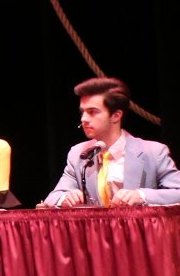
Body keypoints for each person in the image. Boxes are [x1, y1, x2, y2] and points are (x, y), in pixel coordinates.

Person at [41, 78, 180, 208]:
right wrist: (65, 197)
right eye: (82, 112)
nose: (84, 119)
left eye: (92, 112)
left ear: (116, 115)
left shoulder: (153, 152)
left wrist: (142, 195)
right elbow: (53, 197)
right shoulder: (78, 154)